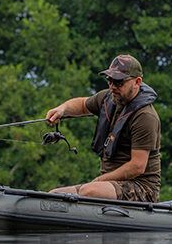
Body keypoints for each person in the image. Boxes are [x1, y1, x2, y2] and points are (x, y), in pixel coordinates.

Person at [46, 54, 161, 202]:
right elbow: (82, 104)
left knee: (90, 190)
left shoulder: (145, 117)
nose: (113, 86)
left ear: (137, 82)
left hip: (142, 187)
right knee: (53, 195)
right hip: (108, 184)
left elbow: (137, 166)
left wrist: (100, 180)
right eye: (110, 80)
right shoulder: (108, 98)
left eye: (119, 82)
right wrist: (62, 109)